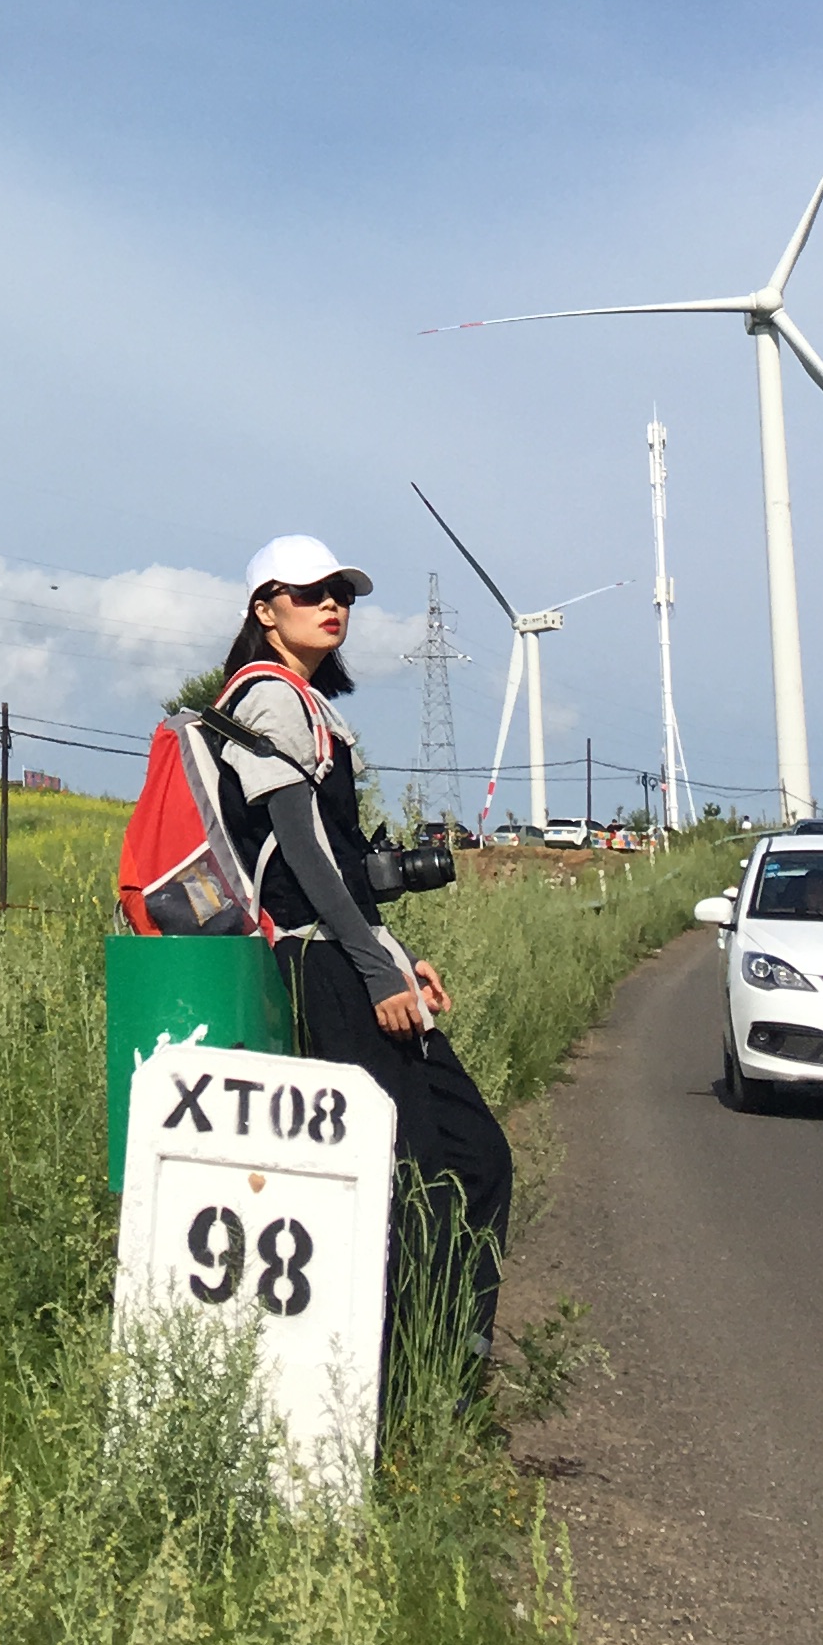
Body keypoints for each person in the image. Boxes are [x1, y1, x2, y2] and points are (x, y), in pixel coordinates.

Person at [208, 534, 515, 1382]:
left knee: (474, 1157)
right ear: (265, 611)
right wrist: (379, 969)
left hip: (353, 955)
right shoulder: (268, 700)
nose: (332, 603)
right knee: (411, 1178)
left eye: (340, 591)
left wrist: (400, 955)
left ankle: (449, 1357)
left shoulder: (309, 704)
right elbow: (305, 857)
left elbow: (342, 864)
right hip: (323, 967)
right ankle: (402, 1383)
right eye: (310, 593)